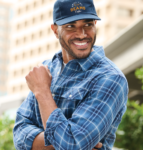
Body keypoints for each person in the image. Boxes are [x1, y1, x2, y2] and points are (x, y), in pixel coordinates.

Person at [13, 0, 128, 150]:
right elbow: (19, 134)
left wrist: (42, 92)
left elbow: (72, 145)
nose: (82, 34)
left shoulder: (110, 78)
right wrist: (61, 143)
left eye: (88, 25)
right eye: (70, 26)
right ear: (55, 30)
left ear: (95, 24)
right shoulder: (47, 69)